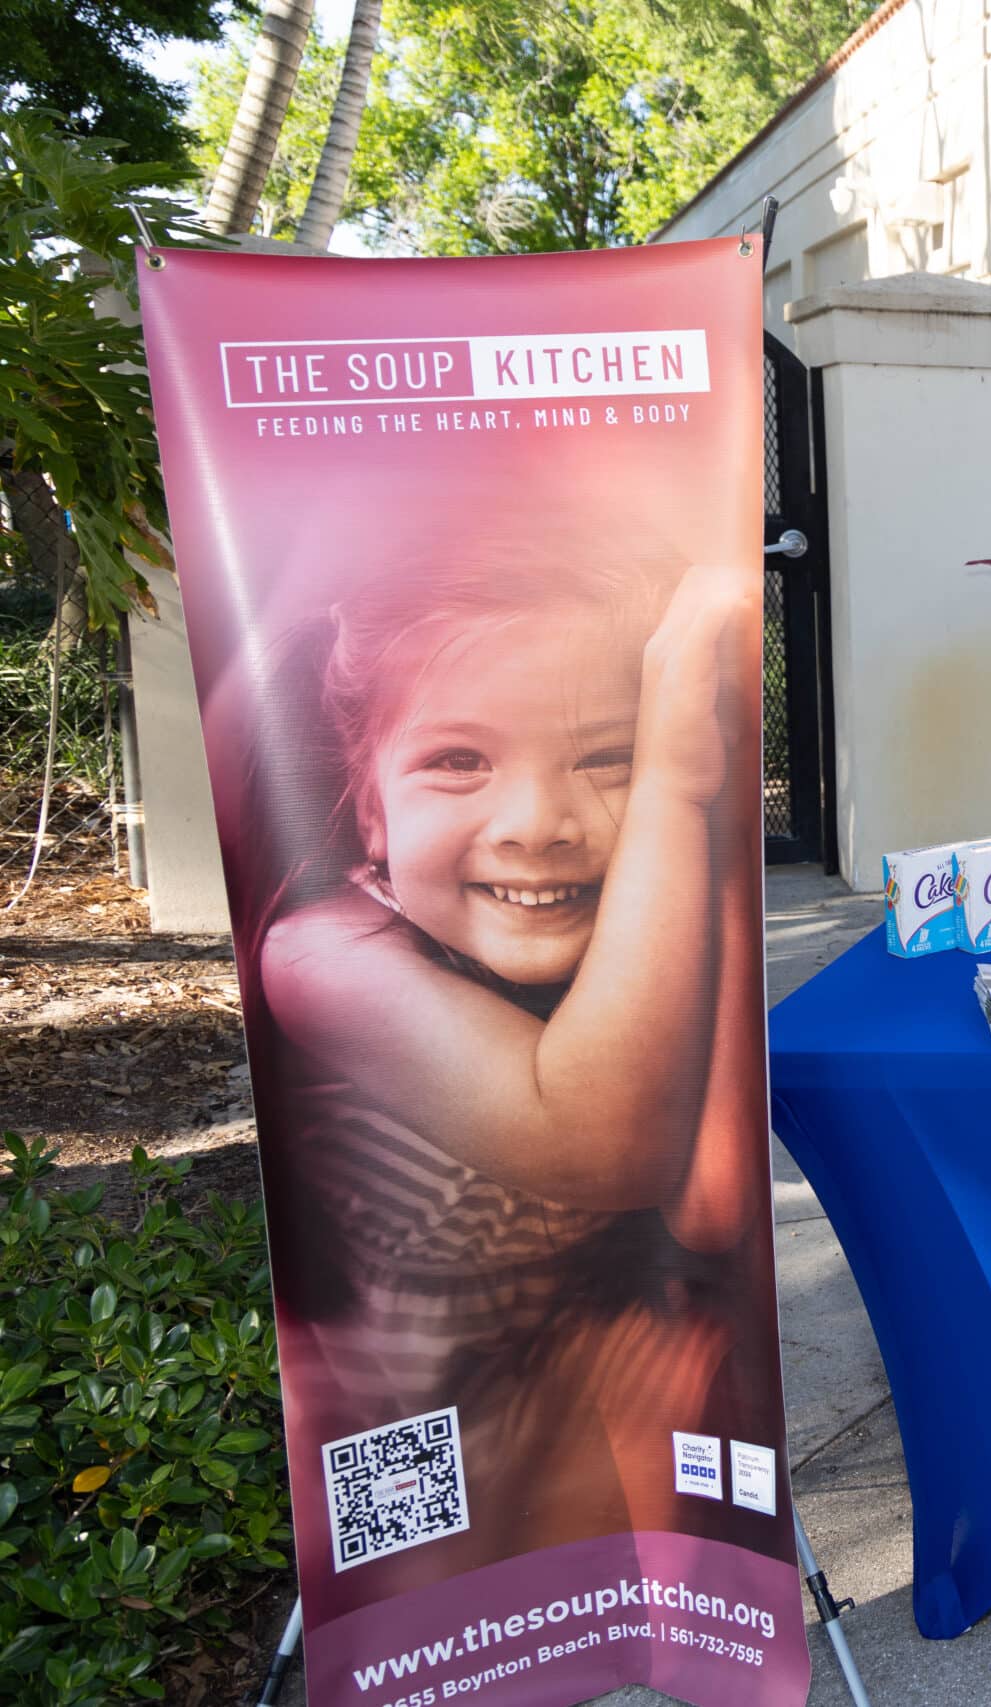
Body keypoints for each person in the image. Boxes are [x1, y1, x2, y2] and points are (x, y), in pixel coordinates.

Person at [245, 544, 767, 1573]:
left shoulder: (642, 919)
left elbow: (709, 1203)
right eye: (458, 760)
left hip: (593, 1410)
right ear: (369, 808)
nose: (538, 827)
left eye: (607, 756)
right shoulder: (319, 954)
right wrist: (667, 790)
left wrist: (714, 830)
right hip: (422, 1450)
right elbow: (602, 1144)